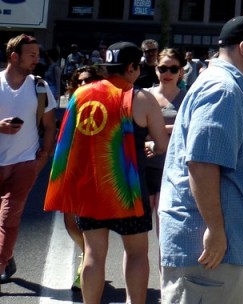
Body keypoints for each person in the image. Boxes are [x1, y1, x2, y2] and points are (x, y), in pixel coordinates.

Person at [158, 15, 243, 303]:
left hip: (219, 249)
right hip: (212, 251)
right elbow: (202, 164)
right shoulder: (222, 89)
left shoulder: (227, 87)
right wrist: (215, 229)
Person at [44, 42, 169, 304]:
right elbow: (161, 145)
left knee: (93, 253)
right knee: (136, 253)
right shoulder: (142, 98)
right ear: (132, 68)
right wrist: (148, 145)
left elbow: (68, 140)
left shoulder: (81, 94)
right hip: (128, 191)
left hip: (90, 188)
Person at [0, 34, 57, 289]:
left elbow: (49, 125)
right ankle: (7, 258)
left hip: (25, 162)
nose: (37, 59)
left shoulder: (40, 86)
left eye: (37, 54)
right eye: (31, 55)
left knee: (9, 220)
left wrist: (43, 157)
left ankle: (0, 266)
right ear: (14, 56)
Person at [61, 64, 104, 290]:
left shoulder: (102, 107)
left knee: (86, 220)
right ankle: (84, 251)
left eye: (89, 81)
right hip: (70, 169)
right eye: (80, 82)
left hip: (95, 172)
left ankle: (87, 262)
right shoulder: (71, 105)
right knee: (70, 221)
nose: (84, 85)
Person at [146, 48, 187, 241]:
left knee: (166, 235)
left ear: (181, 71)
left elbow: (191, 130)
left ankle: (165, 273)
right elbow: (135, 129)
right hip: (144, 168)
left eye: (173, 69)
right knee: (136, 236)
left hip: (173, 171)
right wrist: (172, 128)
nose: (168, 74)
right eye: (163, 68)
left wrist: (156, 131)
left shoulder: (188, 98)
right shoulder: (145, 96)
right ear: (156, 70)